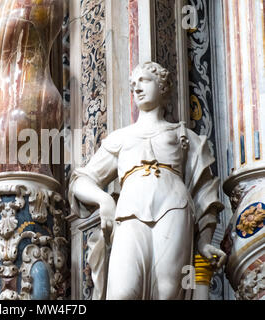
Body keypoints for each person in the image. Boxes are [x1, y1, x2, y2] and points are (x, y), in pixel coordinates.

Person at [69, 61, 226, 300]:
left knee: (168, 291)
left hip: (174, 208)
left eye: (144, 81)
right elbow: (81, 180)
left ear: (163, 86)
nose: (137, 88)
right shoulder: (121, 138)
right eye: (133, 85)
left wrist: (204, 243)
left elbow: (205, 193)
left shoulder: (184, 136)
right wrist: (103, 200)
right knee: (122, 292)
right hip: (129, 210)